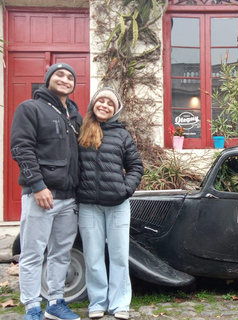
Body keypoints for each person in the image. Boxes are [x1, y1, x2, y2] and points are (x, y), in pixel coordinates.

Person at [10, 63, 82, 320]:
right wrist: (38, 186)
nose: (65, 79)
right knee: (32, 252)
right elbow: (21, 148)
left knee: (61, 253)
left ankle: (55, 302)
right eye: (59, 75)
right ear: (48, 79)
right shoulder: (30, 108)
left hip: (69, 197)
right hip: (41, 196)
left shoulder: (74, 115)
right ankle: (31, 307)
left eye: (70, 77)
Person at [76, 87, 144, 320]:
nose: (104, 105)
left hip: (117, 205)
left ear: (116, 110)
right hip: (88, 205)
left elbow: (136, 166)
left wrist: (125, 190)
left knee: (118, 255)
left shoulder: (122, 135)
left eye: (110, 103)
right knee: (93, 256)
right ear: (93, 104)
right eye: (100, 101)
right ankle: (97, 302)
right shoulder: (81, 130)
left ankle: (120, 304)